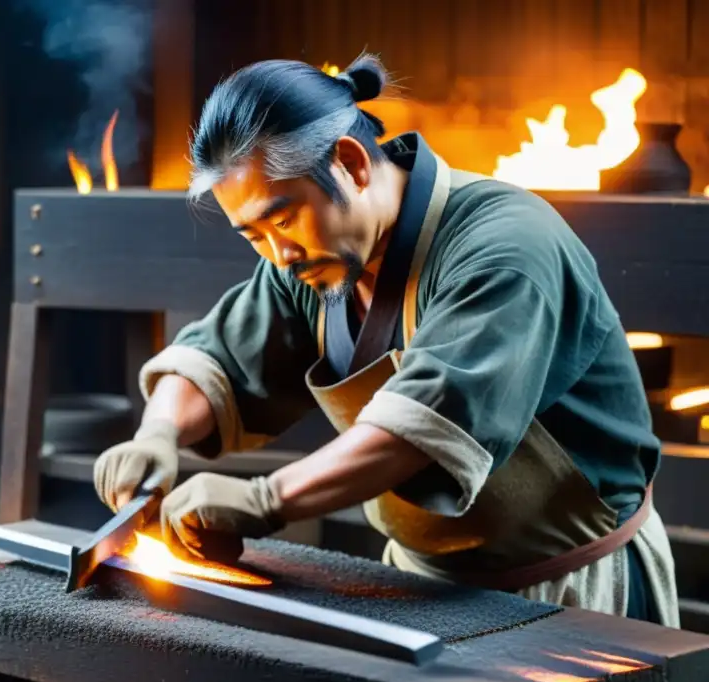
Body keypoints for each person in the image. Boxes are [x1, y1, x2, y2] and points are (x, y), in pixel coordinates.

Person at [92, 53, 679, 626]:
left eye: (283, 219)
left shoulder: (505, 248)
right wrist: (158, 433)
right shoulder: (313, 260)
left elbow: (421, 430)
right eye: (254, 235)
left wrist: (266, 500)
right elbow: (215, 355)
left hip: (574, 592)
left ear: (349, 163)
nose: (279, 253)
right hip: (417, 584)